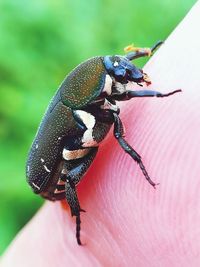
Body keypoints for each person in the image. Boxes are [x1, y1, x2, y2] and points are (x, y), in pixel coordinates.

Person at [1, 2, 200, 266]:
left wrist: (145, 56)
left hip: (73, 137)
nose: (127, 74)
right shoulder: (86, 103)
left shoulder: (92, 90)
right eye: (119, 73)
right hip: (48, 175)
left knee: (114, 117)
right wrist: (160, 95)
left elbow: (120, 74)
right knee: (75, 175)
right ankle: (78, 219)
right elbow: (119, 130)